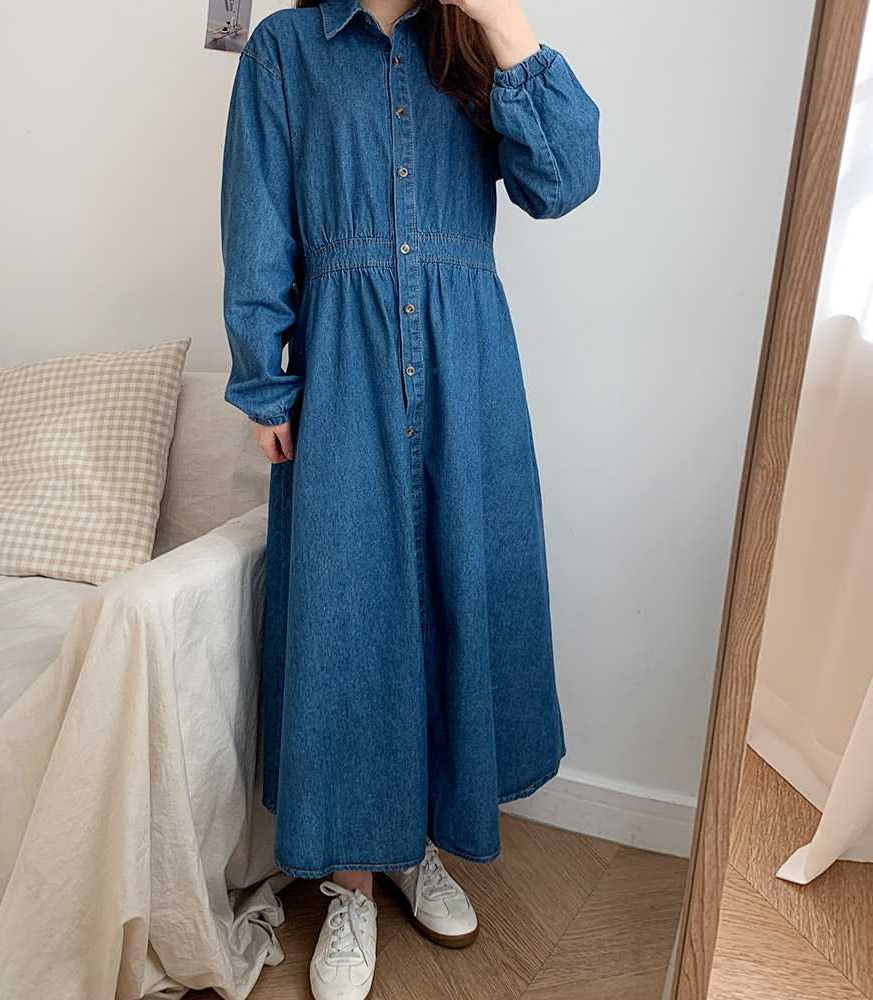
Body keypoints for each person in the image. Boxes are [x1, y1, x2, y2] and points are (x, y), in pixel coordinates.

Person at [220, 0, 600, 996]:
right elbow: (256, 218)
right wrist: (263, 379)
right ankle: (351, 880)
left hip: (468, 368)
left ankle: (412, 841)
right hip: (342, 369)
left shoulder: (470, 42)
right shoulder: (286, 50)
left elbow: (565, 181)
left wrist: (503, 20)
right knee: (351, 618)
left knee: (453, 599)